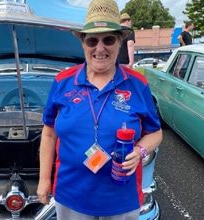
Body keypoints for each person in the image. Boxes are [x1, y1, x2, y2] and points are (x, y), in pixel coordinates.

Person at [37, 0, 163, 219]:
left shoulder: (137, 83)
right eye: (92, 40)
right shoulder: (63, 82)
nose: (100, 48)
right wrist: (44, 179)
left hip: (121, 200)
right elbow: (48, 134)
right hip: (71, 196)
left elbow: (156, 132)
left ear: (120, 41)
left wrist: (140, 151)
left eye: (109, 39)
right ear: (83, 43)